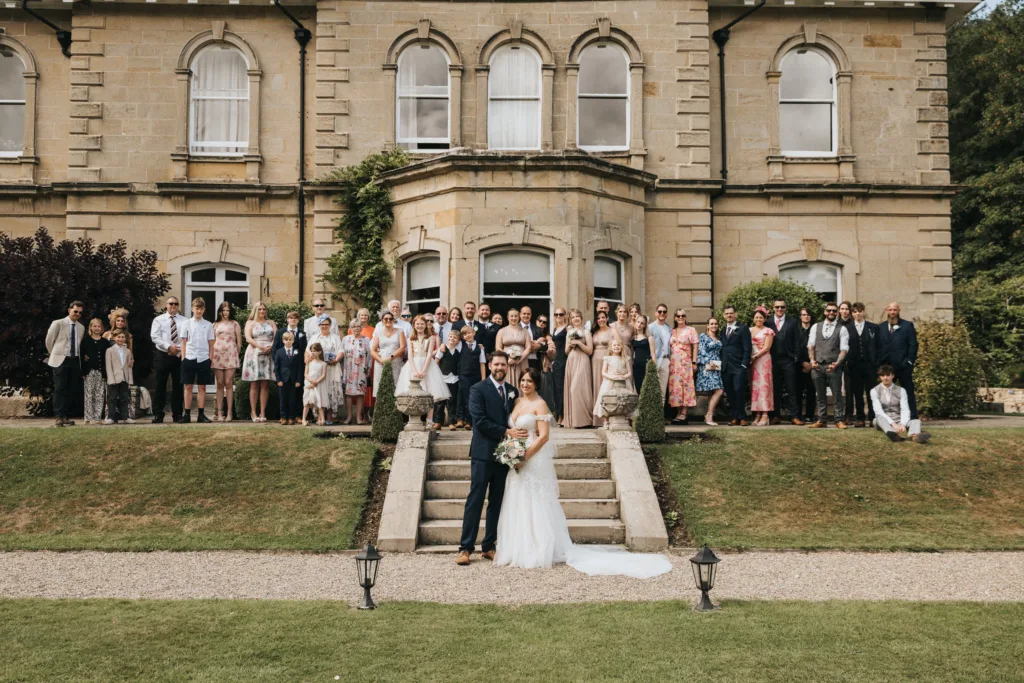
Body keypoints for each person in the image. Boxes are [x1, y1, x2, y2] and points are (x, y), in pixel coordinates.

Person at [492, 368, 672, 576]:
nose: (525, 384)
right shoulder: (516, 402)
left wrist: (524, 457)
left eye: (529, 381)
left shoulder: (540, 404)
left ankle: (538, 548)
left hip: (533, 458)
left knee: (535, 500)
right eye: (523, 380)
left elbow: (543, 437)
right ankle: (519, 547)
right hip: (517, 458)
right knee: (518, 498)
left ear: (537, 384)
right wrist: (512, 451)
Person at [457, 351, 523, 566]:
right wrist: (506, 432)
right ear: (491, 366)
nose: (500, 368)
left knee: (497, 501)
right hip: (483, 452)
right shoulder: (478, 389)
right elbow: (480, 421)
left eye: (503, 364)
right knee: (475, 500)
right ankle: (465, 548)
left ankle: (489, 546)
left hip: (505, 455)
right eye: (496, 364)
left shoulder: (513, 391)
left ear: (507, 366)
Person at [807, 302, 850, 429]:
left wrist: (837, 363)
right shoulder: (816, 326)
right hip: (817, 366)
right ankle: (821, 420)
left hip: (833, 366)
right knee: (820, 395)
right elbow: (811, 345)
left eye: (834, 311)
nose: (831, 313)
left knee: (837, 394)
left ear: (837, 313)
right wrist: (812, 360)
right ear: (825, 312)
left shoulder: (842, 329)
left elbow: (844, 349)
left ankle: (838, 420)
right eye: (829, 310)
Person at [877, 302, 919, 420]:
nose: (892, 312)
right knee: (885, 393)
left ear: (899, 310)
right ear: (886, 311)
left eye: (894, 310)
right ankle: (886, 417)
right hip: (886, 366)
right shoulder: (880, 327)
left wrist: (909, 361)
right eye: (890, 310)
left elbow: (913, 345)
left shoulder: (907, 325)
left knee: (908, 391)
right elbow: (878, 346)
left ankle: (913, 417)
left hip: (903, 365)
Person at [149, 297, 187, 424]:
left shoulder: (185, 320)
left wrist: (178, 349)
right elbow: (155, 337)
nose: (173, 306)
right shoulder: (158, 320)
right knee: (160, 385)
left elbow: (187, 337)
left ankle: (177, 414)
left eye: (176, 304)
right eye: (171, 304)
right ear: (166, 305)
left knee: (178, 386)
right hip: (163, 355)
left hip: (178, 355)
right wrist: (168, 346)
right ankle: (158, 414)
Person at [396, 315, 450, 403]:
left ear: (425, 325)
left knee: (430, 394)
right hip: (412, 366)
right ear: (413, 325)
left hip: (427, 365)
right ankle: (413, 415)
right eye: (417, 324)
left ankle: (429, 417)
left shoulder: (430, 338)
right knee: (412, 394)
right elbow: (410, 355)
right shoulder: (410, 339)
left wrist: (424, 370)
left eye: (422, 324)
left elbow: (429, 354)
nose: (420, 326)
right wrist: (414, 371)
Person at [871, 365, 931, 443]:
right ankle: (892, 434)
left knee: (916, 421)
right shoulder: (874, 391)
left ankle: (914, 436)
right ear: (880, 377)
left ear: (893, 375)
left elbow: (905, 409)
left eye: (888, 375)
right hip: (883, 422)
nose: (885, 378)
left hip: (899, 419)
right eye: (882, 375)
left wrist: (902, 424)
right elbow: (879, 411)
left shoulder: (901, 390)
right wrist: (893, 424)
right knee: (878, 418)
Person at [766, 299, 803, 425]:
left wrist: (796, 358)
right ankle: (775, 416)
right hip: (773, 360)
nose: (779, 309)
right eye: (777, 307)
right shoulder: (768, 321)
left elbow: (798, 341)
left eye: (782, 307)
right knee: (775, 389)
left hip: (788, 360)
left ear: (785, 308)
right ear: (773, 308)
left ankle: (794, 416)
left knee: (792, 389)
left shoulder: (792, 322)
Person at [179, 297, 215, 424]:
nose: (199, 311)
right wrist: (183, 358)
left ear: (204, 310)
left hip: (203, 357)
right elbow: (183, 342)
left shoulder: (209, 325)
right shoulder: (186, 324)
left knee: (202, 386)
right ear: (192, 309)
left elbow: (211, 343)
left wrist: (210, 358)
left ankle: (201, 414)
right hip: (189, 356)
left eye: (201, 309)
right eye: (197, 308)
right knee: (188, 386)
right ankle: (187, 414)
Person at [242, 301, 278, 423]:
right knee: (254, 383)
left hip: (268, 353)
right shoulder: (250, 323)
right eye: (260, 309)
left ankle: (263, 412)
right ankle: (253, 412)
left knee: (265, 384)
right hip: (254, 352)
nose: (262, 311)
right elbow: (248, 337)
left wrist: (270, 346)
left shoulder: (271, 322)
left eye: (264, 309)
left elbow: (276, 336)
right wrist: (260, 347)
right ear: (256, 310)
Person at [846, 303, 880, 427]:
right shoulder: (848, 328)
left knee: (872, 392)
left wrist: (877, 363)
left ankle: (872, 417)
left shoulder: (873, 327)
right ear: (852, 313)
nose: (858, 314)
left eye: (860, 311)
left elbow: (878, 346)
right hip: (854, 365)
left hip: (870, 365)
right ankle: (860, 418)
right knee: (857, 393)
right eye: (855, 311)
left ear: (864, 312)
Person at [562, 309, 594, 429]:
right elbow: (566, 351)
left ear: (581, 318)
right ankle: (574, 420)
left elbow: (590, 351)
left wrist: (579, 343)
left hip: (583, 359)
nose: (575, 319)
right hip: (572, 359)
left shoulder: (586, 332)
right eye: (573, 317)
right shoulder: (569, 332)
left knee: (578, 388)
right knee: (572, 389)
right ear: (571, 320)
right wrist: (570, 344)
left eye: (577, 316)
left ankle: (584, 420)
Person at [308, 317, 343, 424]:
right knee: (319, 390)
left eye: (326, 324)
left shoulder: (336, 337)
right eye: (322, 324)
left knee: (331, 390)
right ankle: (319, 416)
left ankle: (330, 416)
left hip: (332, 368)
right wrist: (308, 359)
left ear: (330, 325)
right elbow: (307, 352)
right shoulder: (314, 337)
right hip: (318, 369)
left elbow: (341, 351)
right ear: (319, 326)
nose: (324, 326)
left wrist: (336, 360)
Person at [721, 305, 752, 426]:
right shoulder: (723, 330)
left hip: (739, 366)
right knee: (730, 392)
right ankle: (735, 417)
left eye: (731, 313)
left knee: (739, 390)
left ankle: (743, 417)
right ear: (724, 315)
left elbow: (747, 348)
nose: (729, 315)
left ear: (735, 314)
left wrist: (744, 364)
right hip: (726, 367)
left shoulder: (743, 328)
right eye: (727, 313)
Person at [211, 302, 243, 422]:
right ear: (220, 311)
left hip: (231, 355)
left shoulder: (235, 324)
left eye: (228, 310)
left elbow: (239, 342)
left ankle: (229, 413)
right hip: (217, 355)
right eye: (224, 310)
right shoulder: (215, 324)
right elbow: (212, 341)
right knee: (219, 383)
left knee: (228, 382)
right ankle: (219, 413)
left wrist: (236, 354)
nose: (226, 312)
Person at [667, 308, 699, 425]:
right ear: (675, 318)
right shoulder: (672, 331)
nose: (680, 318)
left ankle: (684, 413)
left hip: (686, 362)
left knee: (686, 387)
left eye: (683, 315)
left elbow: (695, 347)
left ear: (685, 317)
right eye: (678, 316)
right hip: (674, 364)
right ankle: (678, 412)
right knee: (675, 388)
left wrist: (694, 362)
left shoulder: (691, 330)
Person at [589, 310, 620, 427]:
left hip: (608, 360)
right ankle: (599, 419)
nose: (601, 320)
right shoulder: (594, 332)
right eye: (599, 318)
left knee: (608, 387)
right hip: (595, 361)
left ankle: (609, 416)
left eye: (603, 317)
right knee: (597, 387)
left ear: (607, 318)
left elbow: (619, 344)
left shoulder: (612, 330)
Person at [340, 319, 372, 425]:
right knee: (348, 394)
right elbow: (341, 355)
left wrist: (369, 368)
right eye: (354, 326)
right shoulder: (345, 339)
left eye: (358, 326)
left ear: (361, 328)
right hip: (348, 369)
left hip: (361, 370)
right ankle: (349, 416)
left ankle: (359, 417)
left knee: (360, 393)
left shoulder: (366, 340)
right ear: (351, 328)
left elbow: (370, 356)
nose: (356, 328)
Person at [457, 324, 488, 430]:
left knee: (473, 397)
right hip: (464, 375)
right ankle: (464, 420)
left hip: (476, 376)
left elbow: (482, 363)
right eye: (464, 334)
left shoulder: (480, 348)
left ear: (474, 333)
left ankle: (471, 421)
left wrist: (483, 378)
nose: (467, 335)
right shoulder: (461, 345)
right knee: (465, 397)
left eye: (469, 333)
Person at [593, 338, 633, 420]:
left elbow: (629, 373)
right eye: (614, 345)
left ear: (622, 347)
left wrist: (623, 377)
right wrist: (612, 377)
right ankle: (606, 421)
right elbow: (603, 372)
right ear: (611, 347)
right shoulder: (607, 358)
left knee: (624, 399)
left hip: (623, 382)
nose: (616, 347)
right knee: (606, 399)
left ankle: (624, 419)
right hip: (609, 382)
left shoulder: (625, 358)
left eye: (618, 345)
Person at [749, 307, 775, 426]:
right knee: (755, 388)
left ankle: (765, 415)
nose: (758, 319)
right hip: (752, 361)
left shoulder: (768, 331)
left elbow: (767, 348)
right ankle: (757, 414)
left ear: (764, 319)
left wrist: (755, 356)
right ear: (753, 319)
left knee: (764, 386)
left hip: (763, 360)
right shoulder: (749, 330)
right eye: (756, 317)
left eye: (760, 317)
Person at [696, 317, 724, 426]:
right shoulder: (704, 337)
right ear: (707, 325)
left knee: (713, 392)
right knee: (719, 390)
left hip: (717, 368)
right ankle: (709, 415)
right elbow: (701, 353)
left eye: (716, 324)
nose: (714, 326)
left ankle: (708, 417)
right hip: (707, 368)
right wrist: (712, 364)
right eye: (711, 324)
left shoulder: (718, 337)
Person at [81, 318, 110, 425]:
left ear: (101, 328)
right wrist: (83, 372)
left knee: (100, 394)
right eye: (94, 326)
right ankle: (88, 417)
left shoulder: (105, 342)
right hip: (89, 371)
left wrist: (106, 373)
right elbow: (82, 357)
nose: (97, 328)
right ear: (90, 327)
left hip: (101, 371)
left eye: (99, 326)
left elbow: (106, 358)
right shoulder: (86, 341)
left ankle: (97, 417)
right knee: (89, 394)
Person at [371, 311, 406, 398]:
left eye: (390, 318)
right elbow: (373, 350)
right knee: (380, 387)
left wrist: (390, 358)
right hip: (381, 363)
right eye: (385, 319)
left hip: (395, 362)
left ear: (393, 320)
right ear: (382, 320)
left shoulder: (400, 331)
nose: (388, 320)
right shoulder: (378, 333)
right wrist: (381, 361)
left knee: (395, 386)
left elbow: (402, 348)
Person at [104, 329, 135, 425]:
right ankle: (111, 417)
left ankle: (126, 417)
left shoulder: (128, 351)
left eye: (122, 337)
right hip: (114, 378)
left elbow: (129, 367)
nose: (120, 339)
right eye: (118, 337)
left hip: (124, 378)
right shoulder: (110, 350)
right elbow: (108, 366)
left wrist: (129, 379)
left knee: (124, 398)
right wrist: (111, 379)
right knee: (112, 398)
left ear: (125, 339)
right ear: (114, 338)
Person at [433, 329, 462, 430]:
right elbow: (436, 361)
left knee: (452, 401)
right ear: (447, 338)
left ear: (458, 341)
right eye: (450, 337)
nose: (452, 339)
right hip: (443, 378)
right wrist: (437, 375)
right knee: (440, 402)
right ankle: (438, 422)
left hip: (454, 378)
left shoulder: (458, 351)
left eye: (455, 338)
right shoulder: (443, 349)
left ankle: (451, 422)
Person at [273, 331, 304, 425]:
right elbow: (277, 368)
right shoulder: (279, 352)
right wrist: (278, 380)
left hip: (294, 380)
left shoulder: (297, 352)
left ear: (293, 340)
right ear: (283, 340)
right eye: (286, 339)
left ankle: (292, 417)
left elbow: (300, 367)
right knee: (283, 399)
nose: (288, 341)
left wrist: (299, 380)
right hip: (283, 380)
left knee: (292, 399)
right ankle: (283, 417)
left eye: (290, 339)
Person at [496, 308, 531, 389]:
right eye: (511, 316)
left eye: (516, 316)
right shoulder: (501, 331)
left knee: (523, 381)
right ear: (508, 317)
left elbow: (528, 347)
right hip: (507, 362)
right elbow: (498, 347)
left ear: (519, 317)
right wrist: (507, 358)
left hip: (522, 361)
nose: (514, 318)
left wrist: (520, 359)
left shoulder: (525, 331)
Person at [648, 304, 672, 404]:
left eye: (664, 312)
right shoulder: (650, 327)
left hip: (666, 360)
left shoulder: (669, 328)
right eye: (660, 311)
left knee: (663, 391)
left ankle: (660, 418)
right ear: (656, 313)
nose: (662, 313)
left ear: (666, 314)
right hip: (655, 360)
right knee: (653, 390)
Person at [534, 313, 557, 414]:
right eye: (540, 321)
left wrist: (547, 349)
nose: (542, 323)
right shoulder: (531, 333)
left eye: (544, 322)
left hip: (544, 366)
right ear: (536, 321)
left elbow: (552, 356)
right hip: (532, 364)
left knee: (544, 392)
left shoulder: (548, 338)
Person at [797, 308, 817, 422]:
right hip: (799, 365)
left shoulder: (815, 329)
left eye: (808, 314)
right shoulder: (796, 330)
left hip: (813, 364)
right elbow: (794, 348)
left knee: (811, 391)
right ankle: (798, 415)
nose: (806, 316)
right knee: (797, 391)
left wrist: (811, 362)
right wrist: (802, 362)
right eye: (803, 315)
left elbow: (818, 347)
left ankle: (810, 415)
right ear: (800, 317)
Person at [550, 307, 569, 424]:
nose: (558, 317)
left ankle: (562, 415)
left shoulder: (568, 328)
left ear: (565, 315)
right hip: (556, 360)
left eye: (560, 314)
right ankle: (558, 412)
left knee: (562, 387)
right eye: (556, 314)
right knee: (556, 388)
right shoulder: (555, 329)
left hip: (565, 359)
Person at [302, 342, 327, 427]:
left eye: (315, 351)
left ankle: (322, 419)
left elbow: (323, 375)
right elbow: (305, 374)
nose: (313, 352)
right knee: (307, 403)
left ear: (319, 352)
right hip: (309, 384)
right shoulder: (309, 362)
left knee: (319, 402)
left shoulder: (323, 363)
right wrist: (312, 381)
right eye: (312, 351)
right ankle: (303, 419)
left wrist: (316, 382)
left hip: (318, 385)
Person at [611, 304, 635, 391]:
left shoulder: (631, 327)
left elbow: (633, 343)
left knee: (627, 377)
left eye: (625, 312)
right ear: (617, 313)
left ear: (627, 314)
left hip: (627, 354)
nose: (622, 313)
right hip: (615, 354)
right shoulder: (611, 326)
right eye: (620, 311)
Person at [631, 316, 655, 396]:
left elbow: (653, 354)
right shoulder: (633, 338)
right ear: (635, 322)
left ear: (645, 325)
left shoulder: (649, 338)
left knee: (647, 391)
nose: (639, 324)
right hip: (636, 367)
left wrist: (654, 370)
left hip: (646, 366)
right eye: (638, 322)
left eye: (642, 323)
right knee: (639, 390)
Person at [518, 306, 544, 373]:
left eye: (528, 314)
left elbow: (545, 346)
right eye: (524, 313)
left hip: (534, 361)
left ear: (531, 315)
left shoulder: (538, 329)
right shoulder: (515, 328)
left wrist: (539, 346)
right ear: (520, 314)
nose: (526, 316)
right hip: (520, 360)